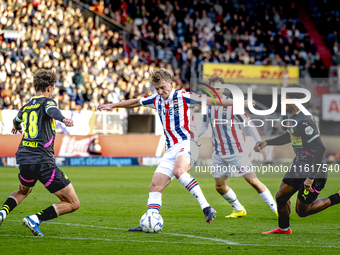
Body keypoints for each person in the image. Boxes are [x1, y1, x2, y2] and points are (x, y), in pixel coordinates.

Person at [98, 68, 251, 230]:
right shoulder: (155, 99)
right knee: (155, 186)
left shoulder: (183, 96)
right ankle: (149, 221)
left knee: (179, 171)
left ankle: (206, 207)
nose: (160, 91)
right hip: (171, 148)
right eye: (157, 89)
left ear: (171, 84)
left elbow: (213, 100)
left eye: (163, 87)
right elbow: (135, 101)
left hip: (187, 143)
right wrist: (112, 105)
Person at [0, 69, 80, 237]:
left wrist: (18, 127)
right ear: (49, 88)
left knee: (23, 191)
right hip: (43, 161)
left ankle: (2, 213)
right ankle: (35, 219)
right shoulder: (48, 102)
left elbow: (16, 120)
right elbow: (52, 110)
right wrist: (63, 119)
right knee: (73, 203)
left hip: (24, 159)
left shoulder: (26, 106)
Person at [254, 84, 340, 234]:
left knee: (303, 211)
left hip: (314, 169)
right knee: (281, 197)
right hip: (299, 165)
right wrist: (267, 142)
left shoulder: (305, 120)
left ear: (292, 99)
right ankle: (284, 229)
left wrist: (310, 178)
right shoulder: (294, 115)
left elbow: (320, 148)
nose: (281, 101)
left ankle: (338, 197)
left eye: (283, 98)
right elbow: (290, 135)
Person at [198, 75, 277, 218]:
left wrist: (258, 141)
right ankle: (239, 209)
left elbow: (249, 124)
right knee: (220, 187)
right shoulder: (207, 106)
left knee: (253, 181)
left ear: (223, 89)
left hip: (236, 150)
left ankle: (276, 209)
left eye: (218, 88)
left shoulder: (232, 105)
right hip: (218, 152)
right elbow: (204, 125)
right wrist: (194, 135)